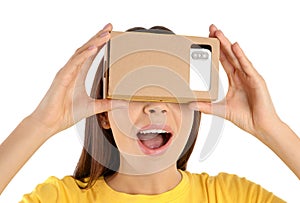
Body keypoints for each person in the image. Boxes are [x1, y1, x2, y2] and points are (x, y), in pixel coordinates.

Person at [0, 23, 299, 202]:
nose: (155, 106)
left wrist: (270, 127)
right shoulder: (61, 199)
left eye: (171, 90)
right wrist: (41, 123)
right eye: (135, 89)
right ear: (103, 114)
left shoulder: (230, 196)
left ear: (195, 109)